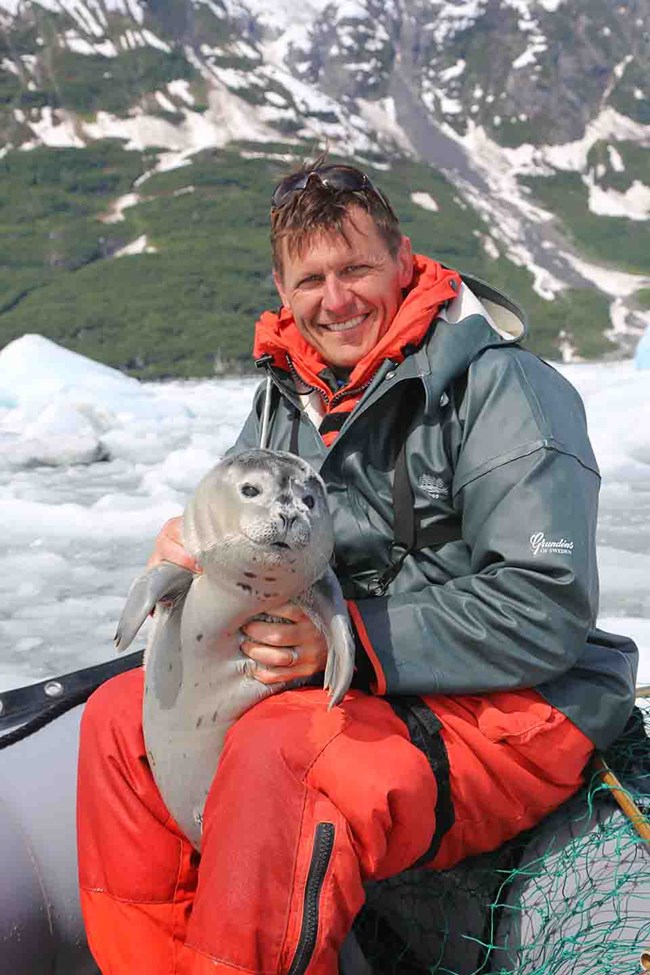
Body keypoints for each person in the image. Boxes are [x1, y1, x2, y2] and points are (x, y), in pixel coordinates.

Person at [77, 158, 638, 975]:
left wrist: (351, 643)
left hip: (515, 704)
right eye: (311, 279)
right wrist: (194, 547)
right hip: (356, 685)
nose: (335, 299)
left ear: (403, 258)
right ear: (281, 286)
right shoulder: (286, 397)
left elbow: (544, 603)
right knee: (119, 719)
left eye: (356, 269)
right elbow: (240, 525)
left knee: (284, 752)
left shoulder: (504, 388)